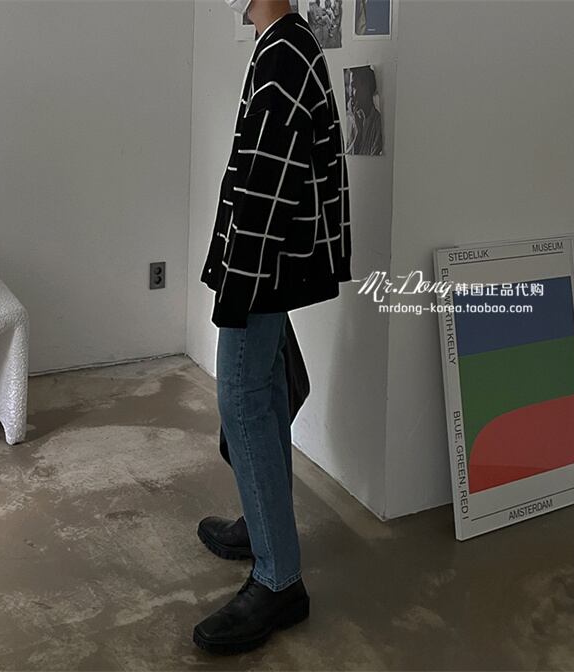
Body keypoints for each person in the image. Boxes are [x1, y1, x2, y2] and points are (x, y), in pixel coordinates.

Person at [194, 0, 352, 655]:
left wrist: (235, 289)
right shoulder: (284, 43)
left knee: (243, 397)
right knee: (262, 393)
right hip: (270, 264)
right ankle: (266, 531)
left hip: (262, 268)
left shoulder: (284, 53)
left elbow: (265, 190)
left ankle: (279, 578)